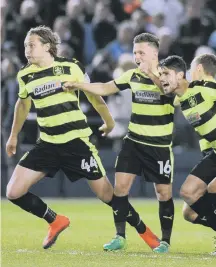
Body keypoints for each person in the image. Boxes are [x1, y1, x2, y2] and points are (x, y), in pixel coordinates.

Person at [5, 25, 142, 250]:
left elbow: (94, 95)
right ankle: (55, 220)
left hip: (76, 143)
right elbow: (22, 104)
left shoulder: (71, 67)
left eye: (32, 45)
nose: (27, 49)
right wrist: (13, 137)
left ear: (48, 46)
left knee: (107, 195)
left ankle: (144, 231)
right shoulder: (25, 74)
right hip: (48, 144)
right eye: (25, 45)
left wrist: (109, 121)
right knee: (13, 191)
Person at [63, 33, 172, 253]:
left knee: (163, 193)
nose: (137, 56)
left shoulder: (168, 74)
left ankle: (166, 241)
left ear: (154, 53)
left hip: (159, 145)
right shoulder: (132, 75)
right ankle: (119, 236)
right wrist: (79, 85)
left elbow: (167, 91)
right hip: (133, 141)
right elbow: (105, 88)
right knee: (120, 188)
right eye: (135, 52)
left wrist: (151, 73)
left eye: (141, 52)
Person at [158, 54, 216, 252]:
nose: (162, 78)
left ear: (181, 75)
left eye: (166, 73)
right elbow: (166, 87)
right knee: (187, 193)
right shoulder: (179, 100)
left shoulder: (204, 88)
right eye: (160, 74)